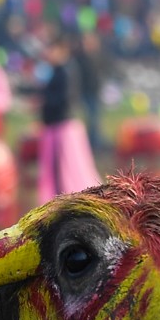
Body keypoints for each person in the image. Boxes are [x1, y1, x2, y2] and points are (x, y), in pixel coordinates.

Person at [34, 32, 101, 203]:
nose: (47, 54)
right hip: (56, 127)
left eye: (51, 49)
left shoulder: (66, 71)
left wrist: (43, 101)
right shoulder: (57, 71)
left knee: (65, 173)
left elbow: (65, 98)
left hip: (62, 129)